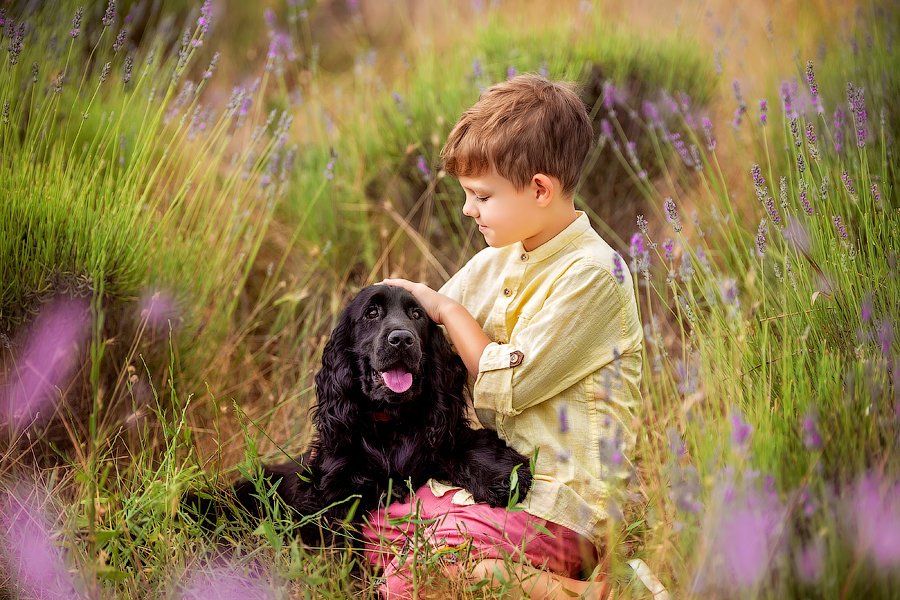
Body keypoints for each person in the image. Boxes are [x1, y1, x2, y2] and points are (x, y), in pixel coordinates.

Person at [368, 73, 643, 599]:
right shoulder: (499, 258)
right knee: (369, 528)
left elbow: (510, 381)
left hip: (561, 507)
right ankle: (503, 572)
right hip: (500, 484)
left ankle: (594, 592)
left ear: (540, 189)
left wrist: (446, 308)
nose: (469, 209)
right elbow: (432, 348)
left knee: (414, 575)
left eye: (481, 196)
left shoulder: (593, 274)